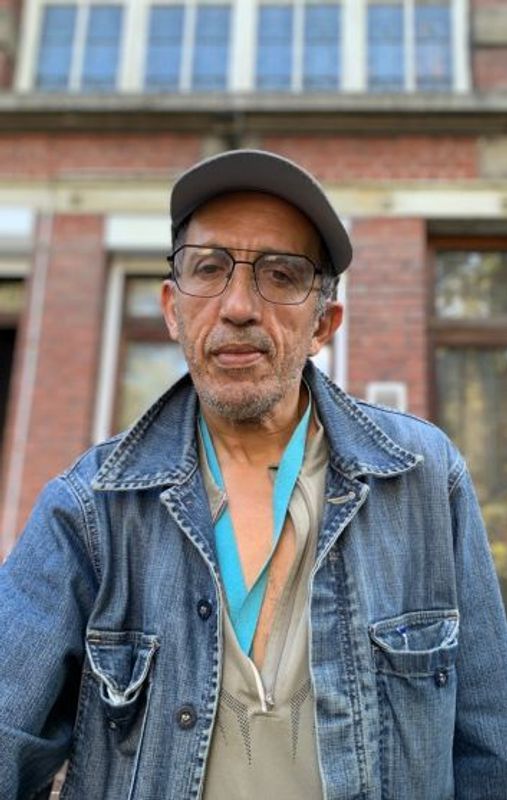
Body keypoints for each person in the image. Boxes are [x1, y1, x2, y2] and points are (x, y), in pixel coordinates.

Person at [0, 149, 506, 800]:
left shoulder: (423, 481)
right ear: (173, 309)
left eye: (280, 274)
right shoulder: (90, 511)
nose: (238, 306)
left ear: (324, 323)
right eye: (209, 269)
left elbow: (489, 747)